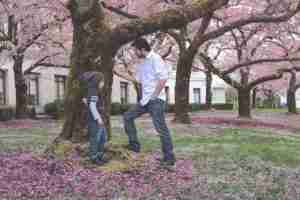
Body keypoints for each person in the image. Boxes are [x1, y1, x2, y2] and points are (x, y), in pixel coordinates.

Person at [123, 38, 176, 166]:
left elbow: (163, 79)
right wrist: (116, 71)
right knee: (127, 117)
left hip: (155, 100)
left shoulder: (155, 59)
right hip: (145, 100)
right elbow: (138, 80)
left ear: (142, 49)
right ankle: (134, 145)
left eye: (135, 50)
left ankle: (169, 158)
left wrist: (154, 96)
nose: (134, 53)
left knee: (161, 129)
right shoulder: (143, 63)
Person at [79, 71, 108, 165]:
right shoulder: (93, 91)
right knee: (95, 138)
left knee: (102, 138)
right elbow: (92, 106)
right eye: (102, 81)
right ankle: (93, 157)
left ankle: (99, 155)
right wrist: (98, 119)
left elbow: (87, 102)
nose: (103, 83)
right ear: (97, 81)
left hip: (99, 118)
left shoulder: (93, 90)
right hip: (95, 120)